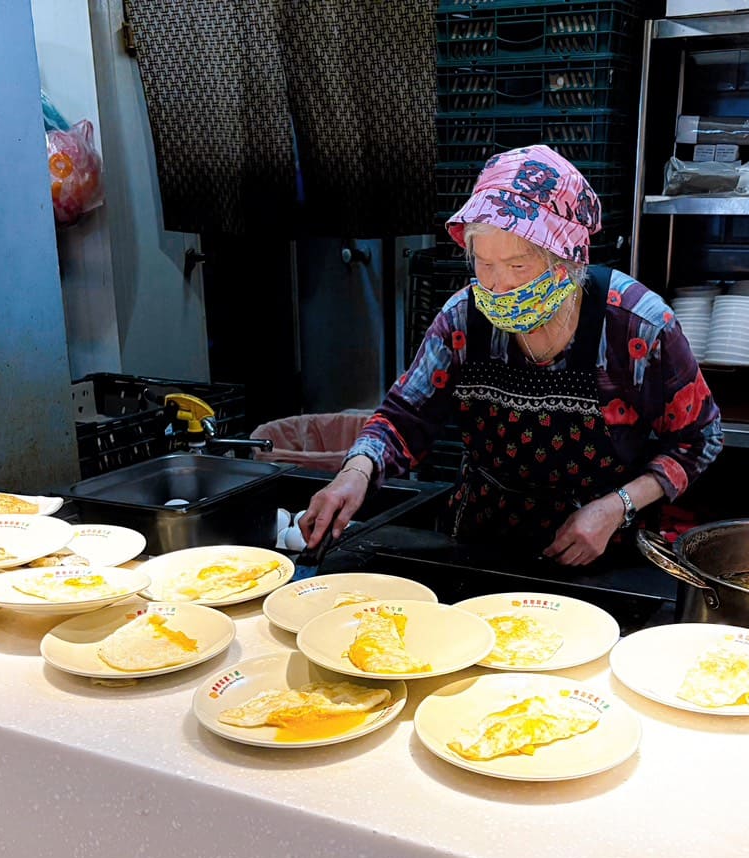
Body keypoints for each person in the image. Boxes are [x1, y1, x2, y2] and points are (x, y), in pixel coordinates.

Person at [300, 145, 722, 566]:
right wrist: (355, 473)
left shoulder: (637, 326)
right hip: (481, 542)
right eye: (484, 264)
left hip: (602, 549)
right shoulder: (462, 319)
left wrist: (617, 505)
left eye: (518, 266)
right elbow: (403, 417)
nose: (497, 285)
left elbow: (699, 438)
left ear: (567, 260)